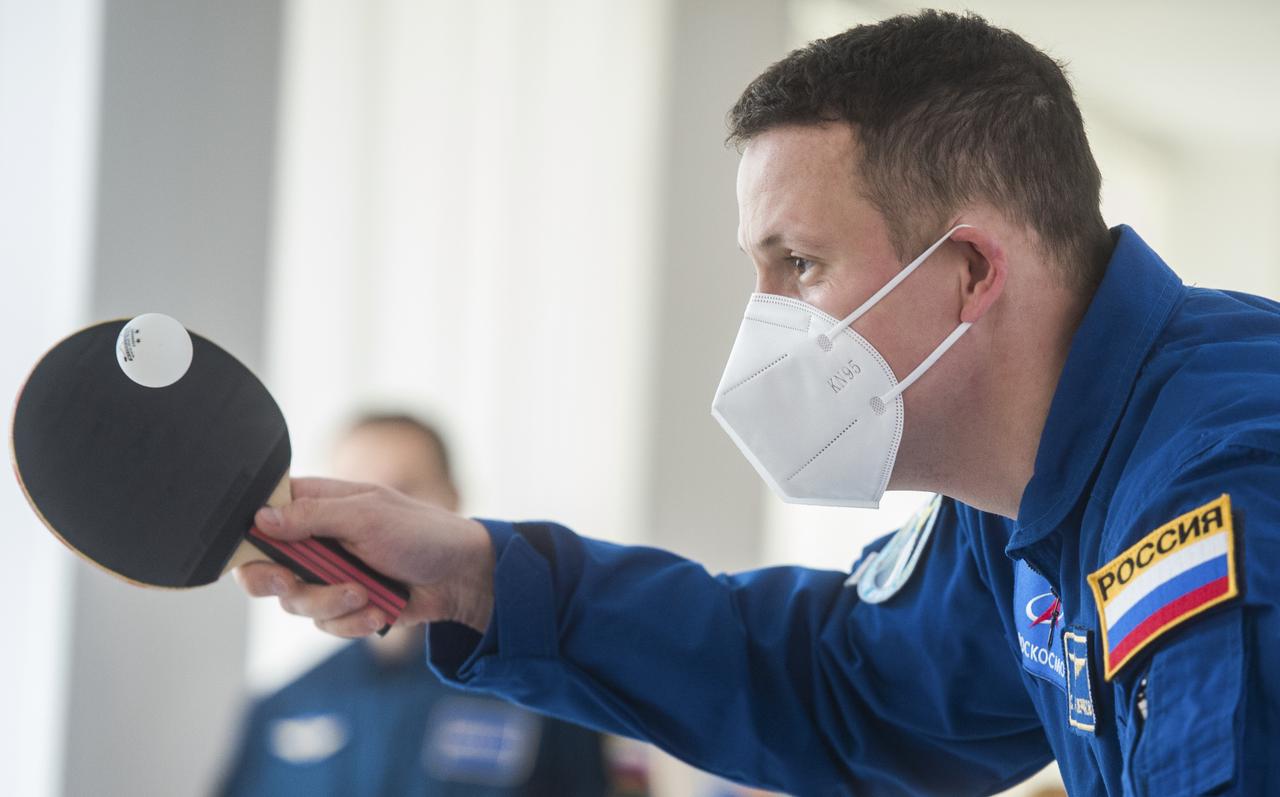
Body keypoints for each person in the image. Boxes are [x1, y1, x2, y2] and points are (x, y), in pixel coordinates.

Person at [234, 12, 1280, 796]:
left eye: (800, 264)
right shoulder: (1024, 500)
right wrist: (471, 572)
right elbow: (833, 680)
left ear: (966, 270)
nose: (763, 321)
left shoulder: (1221, 488)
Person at [219, 413, 612, 797]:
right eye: (352, 495)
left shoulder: (545, 695)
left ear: (452, 500)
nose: (372, 520)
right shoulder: (286, 705)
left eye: (402, 492)